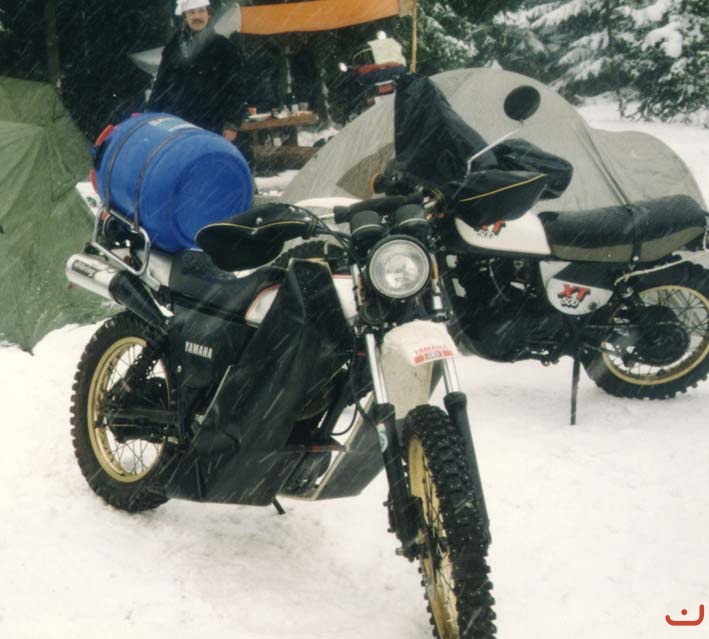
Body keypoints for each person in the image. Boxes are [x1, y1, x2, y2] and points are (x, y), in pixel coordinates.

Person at [146, 0, 247, 142]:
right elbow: (161, 84)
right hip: (179, 124)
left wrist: (231, 122)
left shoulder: (224, 47)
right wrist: (150, 113)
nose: (197, 16)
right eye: (192, 12)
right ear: (185, 16)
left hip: (214, 124)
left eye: (201, 11)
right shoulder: (173, 47)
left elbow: (236, 87)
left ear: (208, 14)